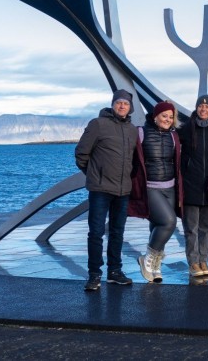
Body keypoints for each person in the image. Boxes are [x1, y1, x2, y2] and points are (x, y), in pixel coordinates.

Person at [75, 89, 139, 291]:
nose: (122, 106)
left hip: (122, 190)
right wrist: (95, 175)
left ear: (130, 107)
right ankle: (94, 274)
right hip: (100, 189)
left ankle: (114, 272)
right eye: (119, 102)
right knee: (96, 232)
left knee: (117, 232)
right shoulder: (98, 124)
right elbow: (81, 154)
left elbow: (134, 160)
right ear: (113, 104)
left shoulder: (132, 130)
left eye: (126, 103)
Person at [132, 101, 183, 283]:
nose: (167, 120)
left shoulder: (173, 136)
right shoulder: (141, 132)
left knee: (157, 225)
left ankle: (155, 266)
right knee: (169, 222)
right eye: (164, 116)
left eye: (171, 117)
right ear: (155, 116)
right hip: (150, 187)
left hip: (169, 187)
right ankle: (147, 259)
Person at [177, 94, 208, 278]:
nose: (204, 110)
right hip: (190, 186)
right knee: (191, 228)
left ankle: (204, 259)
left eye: (207, 107)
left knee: (206, 228)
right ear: (196, 108)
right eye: (201, 107)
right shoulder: (186, 129)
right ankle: (193, 262)